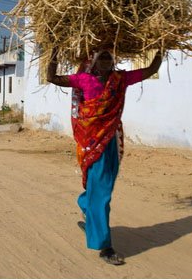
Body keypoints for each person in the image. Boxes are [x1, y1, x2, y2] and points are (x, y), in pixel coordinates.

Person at [47, 47, 162, 265]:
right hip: (91, 142)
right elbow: (51, 78)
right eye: (103, 57)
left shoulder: (121, 79)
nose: (107, 61)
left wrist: (162, 48)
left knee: (102, 186)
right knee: (102, 193)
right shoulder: (84, 80)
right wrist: (54, 50)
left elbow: (151, 70)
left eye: (110, 57)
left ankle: (89, 210)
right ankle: (104, 245)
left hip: (110, 141)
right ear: (94, 60)